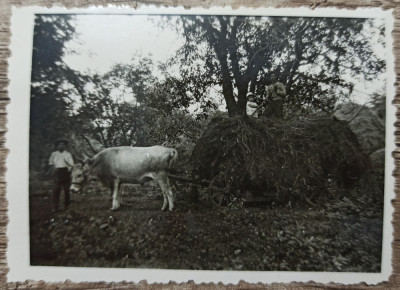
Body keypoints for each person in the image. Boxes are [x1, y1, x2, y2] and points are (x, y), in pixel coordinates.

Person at [48, 139, 74, 212]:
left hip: (65, 172)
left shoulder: (68, 154)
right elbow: (50, 163)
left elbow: (71, 165)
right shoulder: (54, 154)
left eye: (63, 144)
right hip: (57, 173)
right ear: (57, 146)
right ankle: (55, 207)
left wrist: (69, 172)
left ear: (65, 146)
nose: (61, 146)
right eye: (60, 144)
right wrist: (53, 169)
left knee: (66, 191)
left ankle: (67, 206)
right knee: (56, 190)